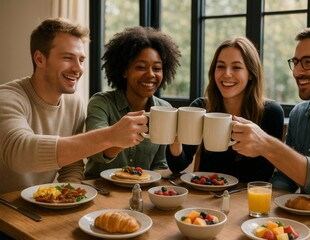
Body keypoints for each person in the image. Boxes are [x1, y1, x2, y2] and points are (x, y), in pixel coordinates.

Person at [0, 18, 148, 194]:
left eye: (81, 60)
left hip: (39, 207)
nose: (78, 69)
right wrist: (110, 136)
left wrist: (67, 196)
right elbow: (20, 154)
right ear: (39, 59)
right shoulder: (7, 98)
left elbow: (72, 166)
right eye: (68, 58)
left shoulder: (73, 103)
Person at [231, 25, 310, 204]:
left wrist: (266, 144)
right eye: (296, 62)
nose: (298, 72)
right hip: (307, 223)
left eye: (308, 62)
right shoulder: (299, 114)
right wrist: (268, 206)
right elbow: (284, 178)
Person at [166, 36, 284, 182]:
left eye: (236, 67)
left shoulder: (271, 112)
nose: (227, 74)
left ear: (251, 74)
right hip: (204, 196)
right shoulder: (201, 107)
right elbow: (177, 165)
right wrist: (175, 141)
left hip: (244, 199)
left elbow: (262, 177)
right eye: (220, 66)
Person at [84, 26, 181, 179]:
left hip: (141, 193)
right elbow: (96, 150)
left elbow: (159, 165)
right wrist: (123, 137)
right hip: (100, 190)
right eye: (141, 67)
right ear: (124, 71)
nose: (150, 74)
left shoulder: (164, 110)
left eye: (157, 68)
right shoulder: (101, 103)